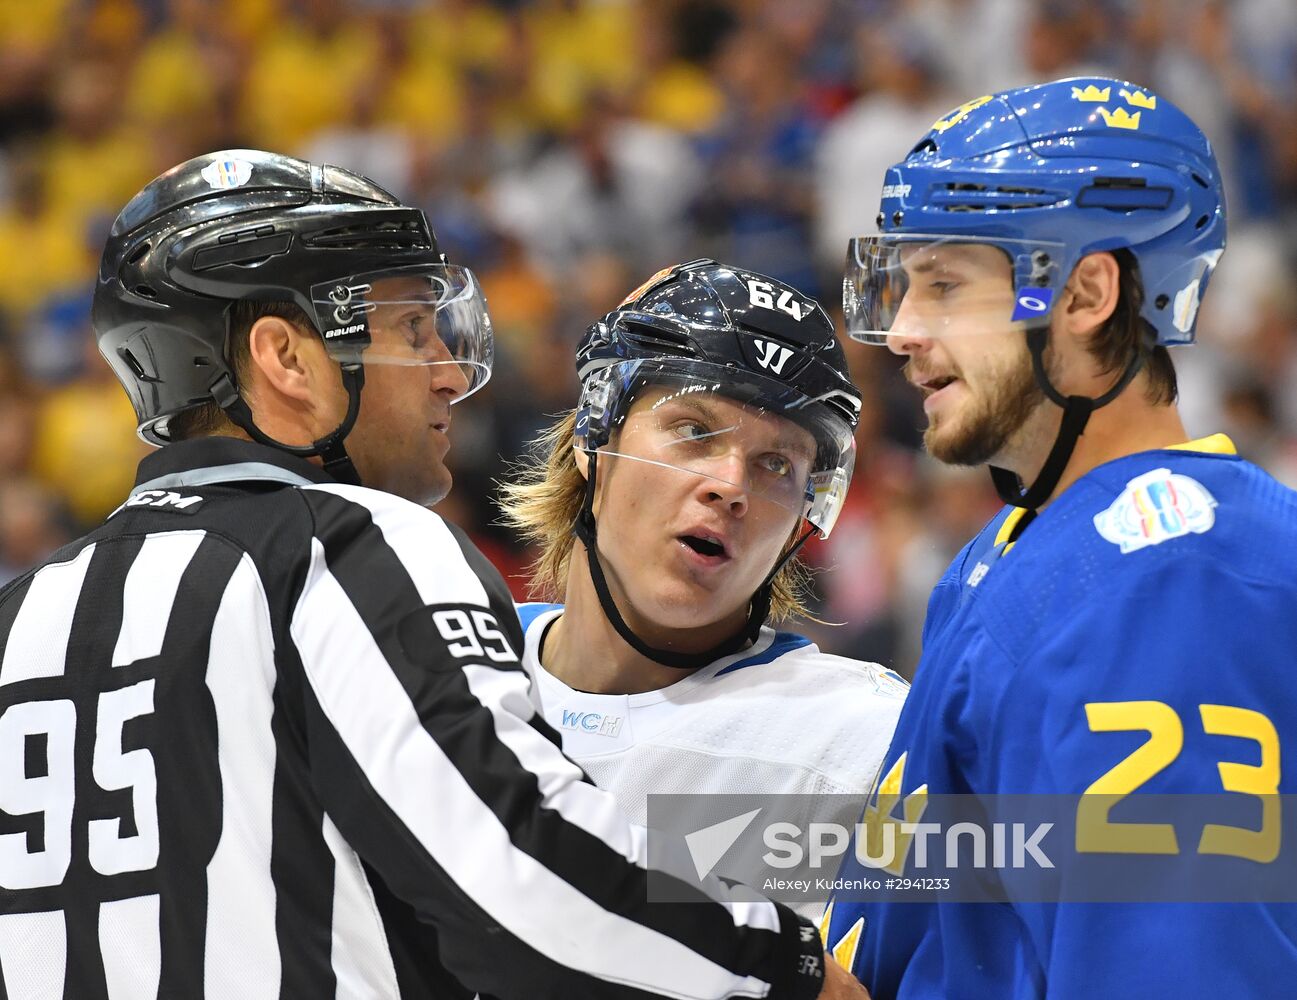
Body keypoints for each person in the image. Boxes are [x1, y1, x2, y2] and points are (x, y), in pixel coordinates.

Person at [0, 150, 868, 1000]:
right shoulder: (353, 547)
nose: (450, 374)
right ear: (285, 359)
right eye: (413, 329)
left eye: (780, 466)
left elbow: (991, 874)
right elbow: (520, 885)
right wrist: (784, 963)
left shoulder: (21, 613)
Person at [821, 78, 1297, 997]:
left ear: (1083, 293)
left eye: (946, 285)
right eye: (901, 285)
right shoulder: (1021, 546)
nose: (904, 332)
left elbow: (1175, 973)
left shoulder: (1171, 576)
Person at [499, 259, 907, 916]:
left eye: (775, 464)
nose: (730, 485)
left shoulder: (866, 741)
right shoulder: (424, 668)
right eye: (692, 430)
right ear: (591, 434)